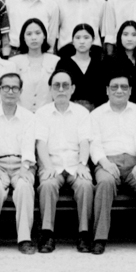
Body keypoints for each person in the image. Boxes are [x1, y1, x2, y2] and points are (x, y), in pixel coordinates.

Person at [89, 67, 136, 255]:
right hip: (107, 162)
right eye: (114, 87)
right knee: (105, 183)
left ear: (130, 90)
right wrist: (105, 164)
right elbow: (94, 144)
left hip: (134, 162)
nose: (119, 90)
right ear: (107, 90)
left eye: (124, 87)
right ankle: (99, 238)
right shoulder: (96, 114)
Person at [35, 69, 95, 253]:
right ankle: (47, 234)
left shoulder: (82, 112)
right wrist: (47, 166)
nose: (61, 89)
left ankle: (84, 234)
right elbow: (40, 143)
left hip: (75, 163)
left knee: (85, 185)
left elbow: (85, 141)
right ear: (50, 89)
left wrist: (83, 164)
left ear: (72, 89)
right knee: (47, 184)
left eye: (65, 85)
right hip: (51, 162)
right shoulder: (42, 113)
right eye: (56, 85)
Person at [0, 73, 37, 254]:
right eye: (6, 87)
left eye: (15, 88)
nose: (10, 91)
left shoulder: (29, 116)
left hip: (23, 163)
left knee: (24, 188)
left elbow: (29, 145)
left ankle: (25, 239)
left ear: (20, 91)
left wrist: (24, 169)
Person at [10, 19, 60, 112]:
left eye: (38, 33)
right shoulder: (14, 62)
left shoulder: (55, 61)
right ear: (23, 37)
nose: (33, 37)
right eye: (29, 34)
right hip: (22, 113)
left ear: (44, 35)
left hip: (48, 113)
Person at [55, 24, 107, 111]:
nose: (82, 41)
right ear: (72, 41)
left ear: (93, 40)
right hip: (69, 110)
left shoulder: (100, 64)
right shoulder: (63, 63)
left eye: (86, 38)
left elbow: (103, 93)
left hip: (96, 111)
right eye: (78, 38)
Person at [108, 20, 136, 107]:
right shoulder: (110, 61)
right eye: (125, 34)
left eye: (134, 35)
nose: (129, 39)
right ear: (119, 37)